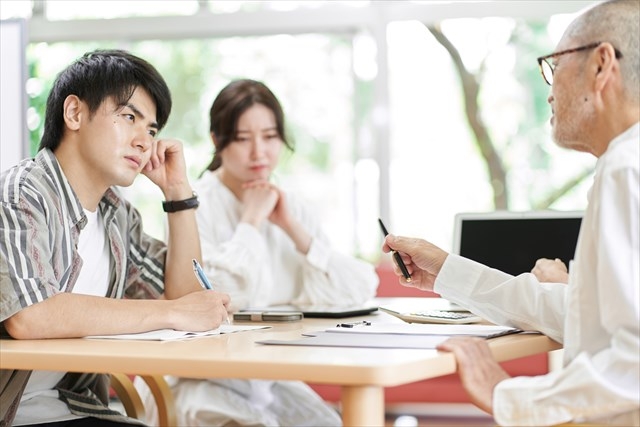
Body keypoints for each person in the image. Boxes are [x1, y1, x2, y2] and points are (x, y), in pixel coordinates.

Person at [382, 0, 639, 425]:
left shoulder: (626, 168)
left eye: (554, 67)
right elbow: (580, 314)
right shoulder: (621, 165)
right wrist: (447, 269)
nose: (550, 91)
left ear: (601, 64)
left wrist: (508, 395)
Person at [0, 49, 230, 426]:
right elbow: (30, 316)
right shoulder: (21, 193)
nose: (145, 141)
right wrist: (171, 312)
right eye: (129, 117)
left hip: (68, 409)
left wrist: (178, 195)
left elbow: (188, 299)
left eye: (152, 129)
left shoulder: (115, 214)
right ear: (74, 113)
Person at [135, 79, 378, 426]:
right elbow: (216, 298)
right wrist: (250, 220)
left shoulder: (290, 204)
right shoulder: (193, 203)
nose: (259, 152)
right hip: (201, 379)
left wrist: (293, 229)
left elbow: (357, 290)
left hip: (268, 376)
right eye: (243, 139)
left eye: (269, 136)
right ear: (218, 141)